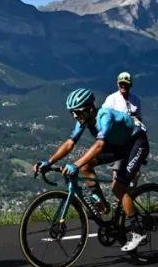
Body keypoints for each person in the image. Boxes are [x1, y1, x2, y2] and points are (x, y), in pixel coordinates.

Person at [33, 88, 150, 252]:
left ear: (89, 109)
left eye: (78, 112)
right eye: (72, 112)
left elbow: (100, 145)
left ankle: (138, 230)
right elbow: (69, 143)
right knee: (87, 166)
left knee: (118, 187)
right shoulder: (84, 119)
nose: (75, 116)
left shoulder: (104, 117)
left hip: (136, 142)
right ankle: (102, 203)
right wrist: (49, 161)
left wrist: (75, 164)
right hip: (118, 145)